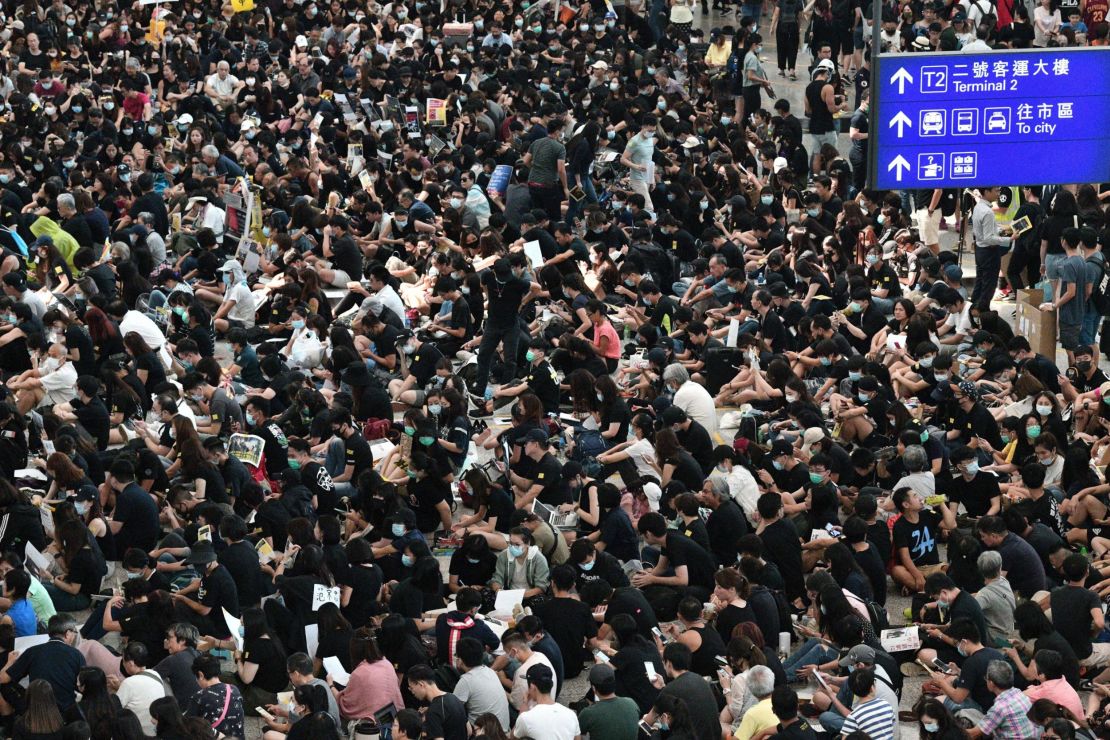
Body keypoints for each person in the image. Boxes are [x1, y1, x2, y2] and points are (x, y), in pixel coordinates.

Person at [511, 664, 579, 740]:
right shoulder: (571, 715)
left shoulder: (525, 718)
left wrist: (523, 708)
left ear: (533, 687)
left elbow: (513, 737)